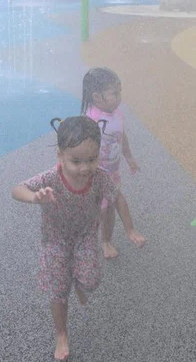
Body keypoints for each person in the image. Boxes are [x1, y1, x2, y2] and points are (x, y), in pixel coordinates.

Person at [11, 116, 122, 361]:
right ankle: (61, 334)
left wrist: (131, 229)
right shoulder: (51, 178)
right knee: (58, 290)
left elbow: (117, 197)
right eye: (76, 161)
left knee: (91, 279)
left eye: (92, 159)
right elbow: (17, 189)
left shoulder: (100, 177)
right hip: (55, 240)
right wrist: (34, 197)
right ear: (60, 155)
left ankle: (79, 283)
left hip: (84, 237)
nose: (85, 167)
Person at [81, 67, 147, 258]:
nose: (119, 97)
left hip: (113, 170)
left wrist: (129, 157)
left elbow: (121, 135)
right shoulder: (91, 120)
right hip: (95, 174)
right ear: (97, 97)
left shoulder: (116, 114)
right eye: (114, 93)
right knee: (108, 203)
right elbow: (81, 147)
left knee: (108, 207)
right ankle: (108, 235)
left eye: (120, 92)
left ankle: (105, 241)